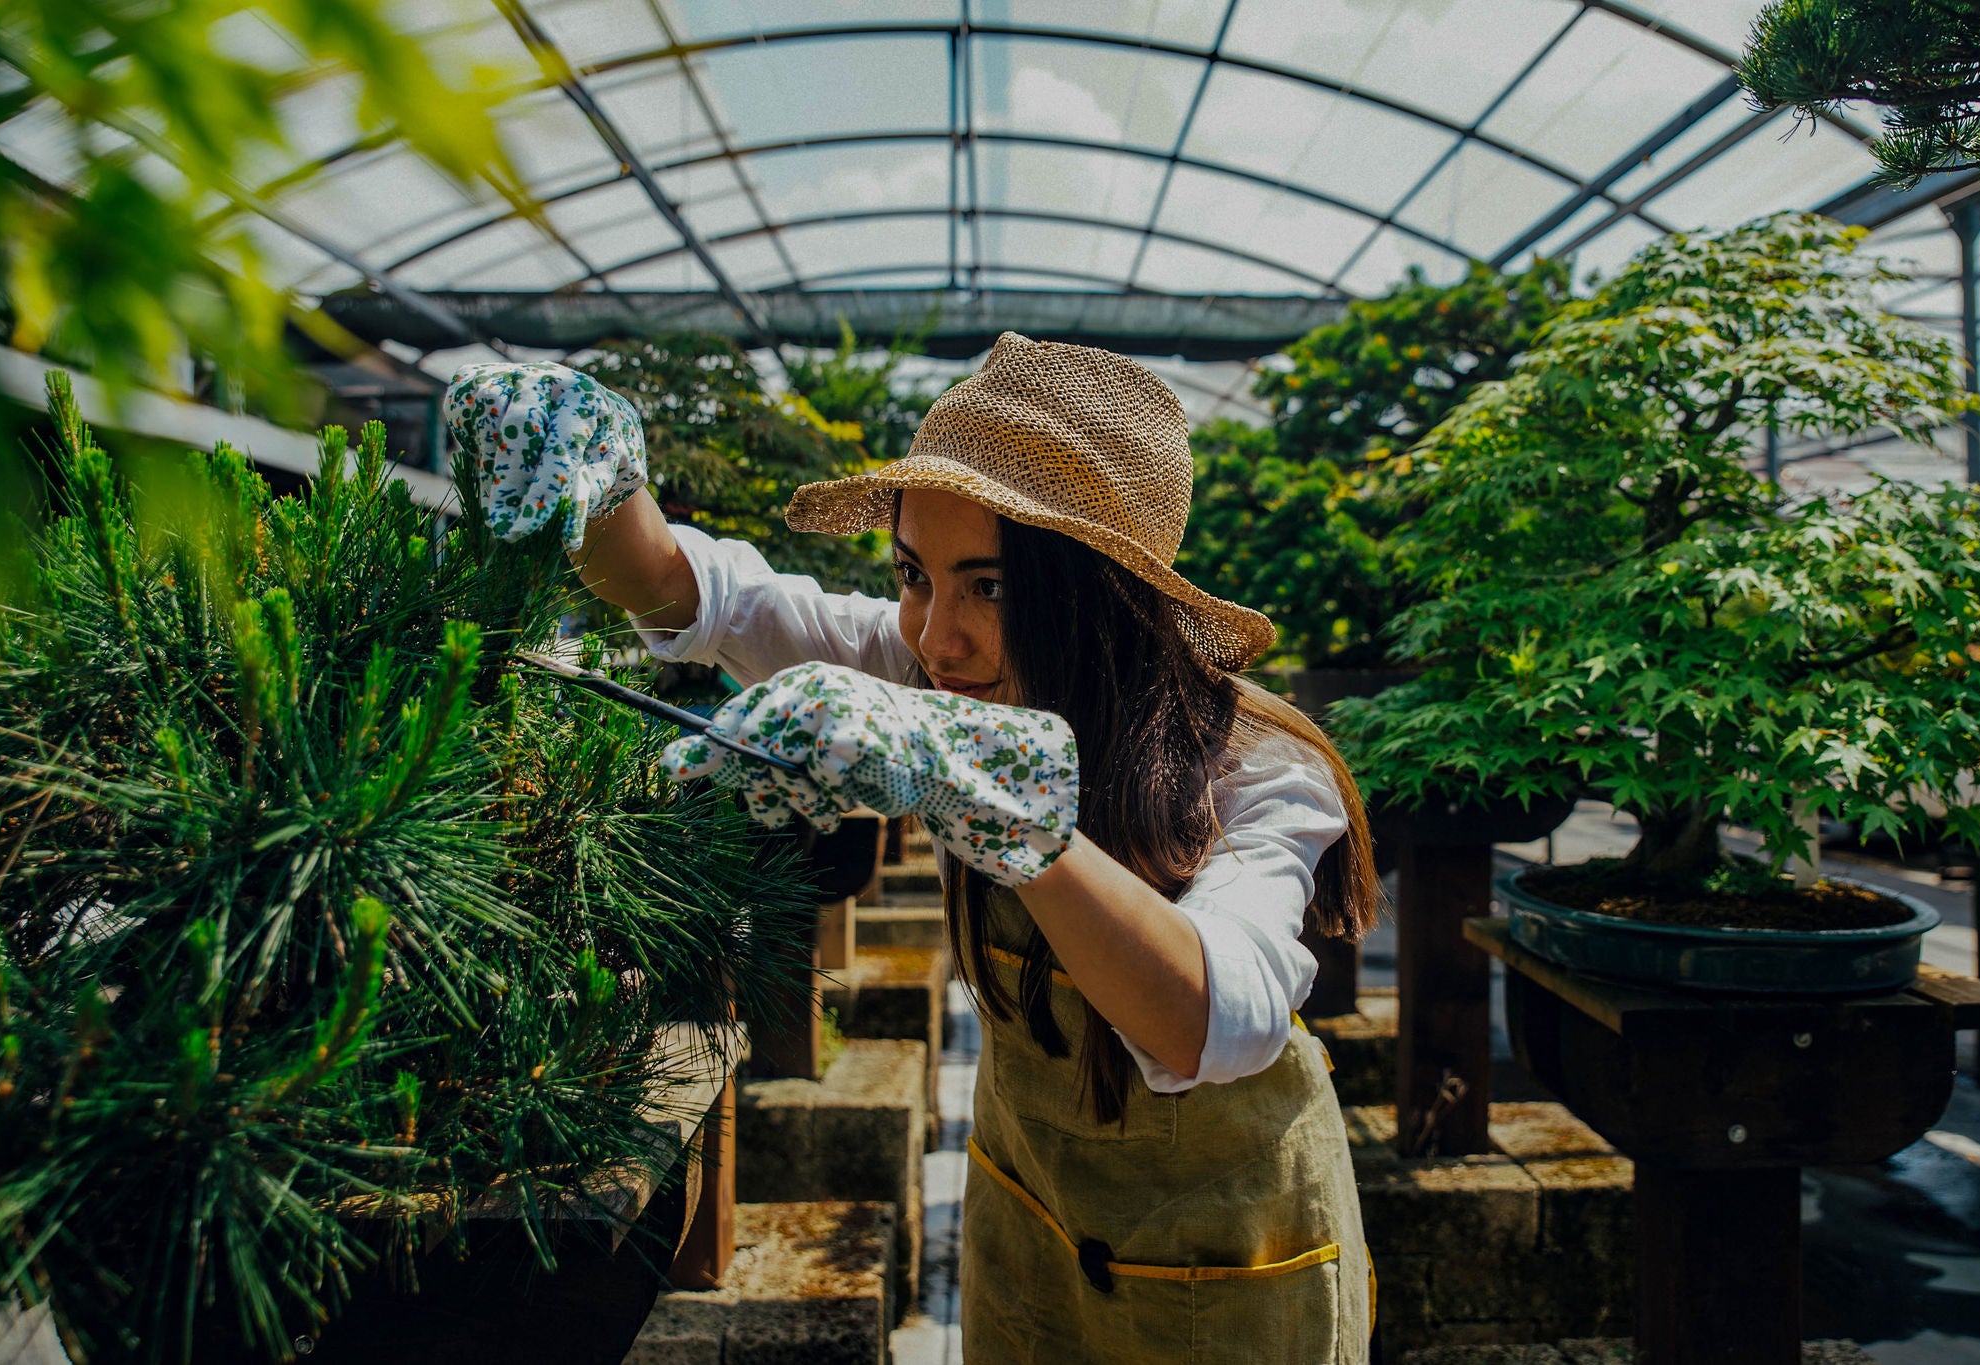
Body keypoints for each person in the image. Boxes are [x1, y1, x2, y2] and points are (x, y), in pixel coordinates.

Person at [444, 332, 1380, 1363]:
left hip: (1231, 1258)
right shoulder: (930, 667)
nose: (937, 639)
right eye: (913, 576)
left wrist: (998, 804)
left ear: (1098, 590)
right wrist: (600, 476)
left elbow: (1223, 1015)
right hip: (1028, 1217)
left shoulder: (1250, 767)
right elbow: (698, 592)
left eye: (992, 586)